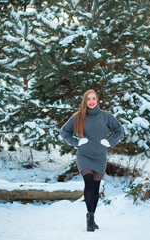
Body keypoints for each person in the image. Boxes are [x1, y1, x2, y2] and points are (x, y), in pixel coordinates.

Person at [60, 89, 123, 232]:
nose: (91, 101)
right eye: (88, 99)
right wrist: (76, 142)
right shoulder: (79, 116)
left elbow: (119, 130)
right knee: (88, 183)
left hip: (100, 157)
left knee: (96, 188)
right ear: (85, 101)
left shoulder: (106, 116)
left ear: (97, 100)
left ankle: (92, 218)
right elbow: (64, 132)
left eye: (93, 98)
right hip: (84, 155)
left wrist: (110, 142)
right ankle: (89, 218)